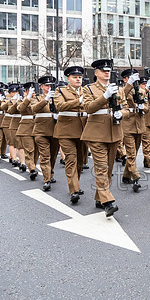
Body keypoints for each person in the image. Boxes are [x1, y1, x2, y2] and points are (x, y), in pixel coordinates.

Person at [81, 59, 125, 214]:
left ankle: (99, 197)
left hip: (114, 131)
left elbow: (125, 107)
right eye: (103, 70)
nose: (107, 73)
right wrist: (105, 96)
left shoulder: (119, 89)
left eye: (108, 70)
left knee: (109, 168)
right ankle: (108, 201)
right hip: (96, 133)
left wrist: (121, 113)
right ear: (96, 73)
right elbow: (88, 108)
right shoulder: (88, 89)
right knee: (101, 167)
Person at [53, 66, 89, 197]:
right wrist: (77, 101)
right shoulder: (60, 91)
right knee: (71, 159)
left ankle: (76, 184)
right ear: (68, 79)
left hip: (83, 130)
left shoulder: (87, 91)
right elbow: (60, 106)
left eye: (80, 77)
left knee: (80, 161)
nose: (78, 79)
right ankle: (73, 190)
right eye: (75, 77)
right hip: (66, 131)